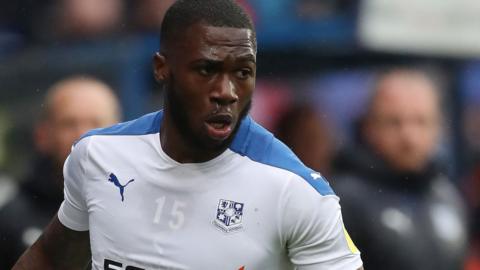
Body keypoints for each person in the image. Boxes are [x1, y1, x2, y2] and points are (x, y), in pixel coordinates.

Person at [13, 1, 363, 269]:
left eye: (243, 71)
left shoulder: (297, 192)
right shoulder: (98, 155)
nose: (226, 91)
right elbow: (50, 257)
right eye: (206, 69)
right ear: (162, 69)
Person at [332, 68, 468, 270]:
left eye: (420, 122)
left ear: (439, 127)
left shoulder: (446, 196)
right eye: (395, 122)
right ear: (370, 126)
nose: (409, 137)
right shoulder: (341, 201)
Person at [0, 76, 121, 269]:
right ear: (42, 135)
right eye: (69, 123)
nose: (84, 135)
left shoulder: (144, 204)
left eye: (96, 122)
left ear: (121, 131)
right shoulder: (10, 218)